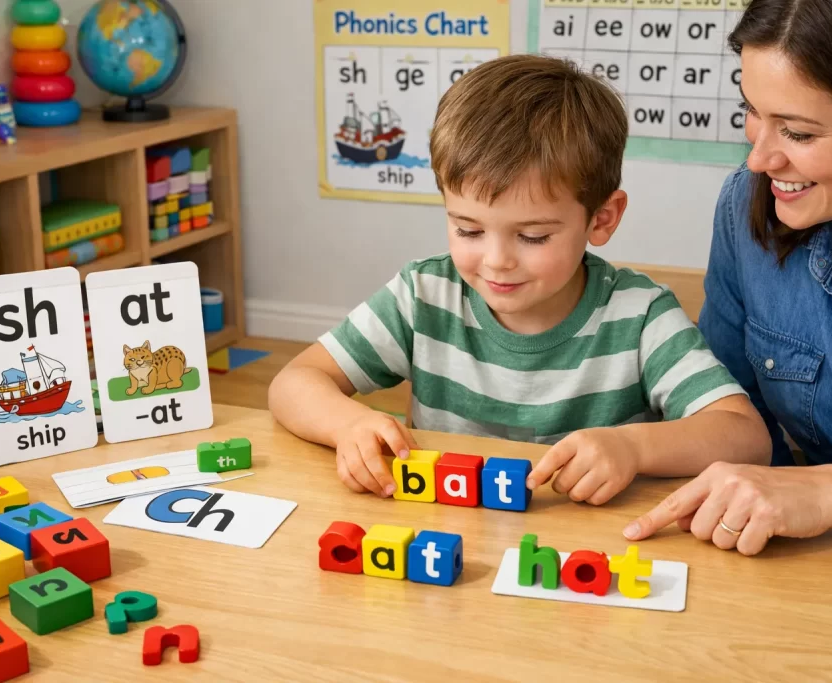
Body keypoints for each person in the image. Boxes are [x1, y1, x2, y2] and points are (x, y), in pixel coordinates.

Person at [269, 54, 771, 503]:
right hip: (449, 536)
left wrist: (631, 447)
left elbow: (744, 437)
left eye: (532, 236)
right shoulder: (424, 295)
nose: (496, 261)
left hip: (588, 554)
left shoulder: (639, 316)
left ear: (601, 219)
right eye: (467, 229)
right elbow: (293, 382)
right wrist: (349, 423)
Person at [625, 0, 832, 554]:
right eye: (753, 111)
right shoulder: (745, 209)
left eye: (797, 133)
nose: (759, 158)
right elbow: (731, 415)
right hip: (806, 575)